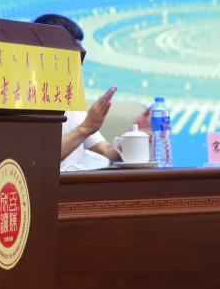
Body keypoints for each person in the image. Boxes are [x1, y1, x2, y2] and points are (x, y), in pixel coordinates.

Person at [32, 14, 151, 171]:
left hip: (75, 184)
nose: (79, 62)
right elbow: (36, 158)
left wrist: (132, 135)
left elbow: (105, 152)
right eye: (73, 53)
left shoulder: (70, 101)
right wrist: (86, 127)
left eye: (81, 54)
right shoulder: (23, 101)